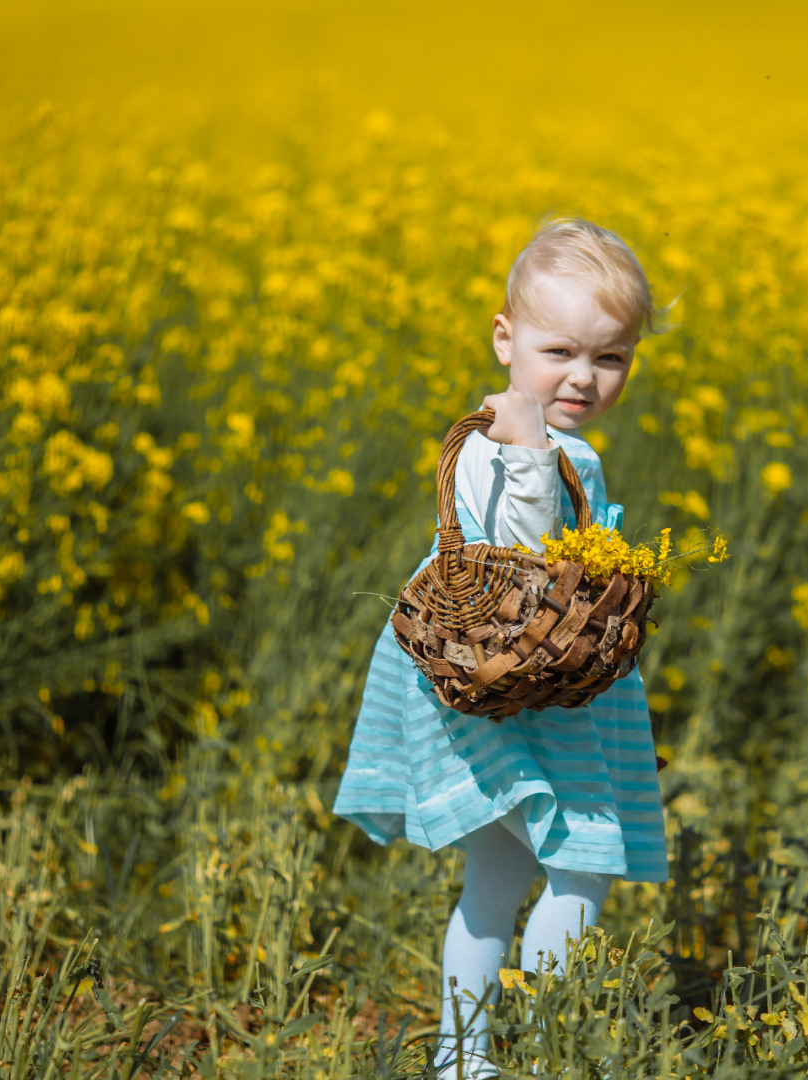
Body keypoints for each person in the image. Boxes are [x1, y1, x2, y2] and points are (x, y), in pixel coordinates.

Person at [333, 217, 671, 1079]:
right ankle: (548, 1049)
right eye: (561, 351)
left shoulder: (553, 448)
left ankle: (464, 1060)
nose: (584, 378)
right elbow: (524, 560)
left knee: (495, 873)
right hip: (507, 683)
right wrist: (528, 453)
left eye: (612, 358)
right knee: (584, 859)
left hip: (517, 691)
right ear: (504, 339)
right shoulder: (516, 448)